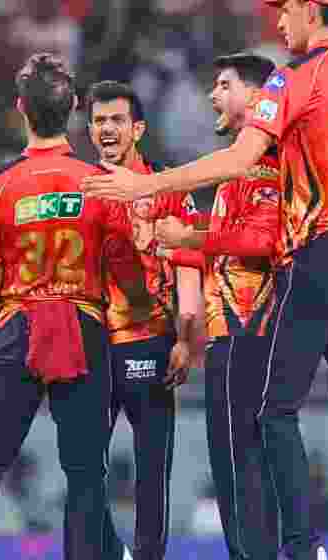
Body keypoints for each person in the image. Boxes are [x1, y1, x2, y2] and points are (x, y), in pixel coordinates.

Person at [81, 1, 328, 558]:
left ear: (312, 11)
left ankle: (302, 548)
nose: (279, 24)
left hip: (316, 254)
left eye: (285, 11)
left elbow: (239, 160)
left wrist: (142, 188)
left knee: (275, 410)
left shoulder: (297, 77)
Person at [0, 52, 145, 560]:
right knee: (84, 471)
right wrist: (142, 311)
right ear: (75, 107)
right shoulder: (100, 181)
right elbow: (126, 267)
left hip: (18, 326)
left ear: (19, 109)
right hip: (84, 325)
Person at [154, 52, 284, 560]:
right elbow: (228, 244)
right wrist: (175, 246)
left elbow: (261, 241)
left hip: (251, 327)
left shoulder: (264, 163)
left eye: (223, 84)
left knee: (242, 459)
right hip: (232, 328)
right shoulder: (240, 164)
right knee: (231, 459)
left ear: (255, 97)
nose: (213, 94)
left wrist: (190, 237)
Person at [84, 79, 202, 560]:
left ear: (138, 128)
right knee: (85, 468)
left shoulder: (169, 188)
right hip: (92, 346)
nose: (106, 129)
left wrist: (186, 336)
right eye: (97, 121)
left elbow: (190, 264)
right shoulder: (80, 188)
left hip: (152, 343)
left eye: (116, 120)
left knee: (154, 468)